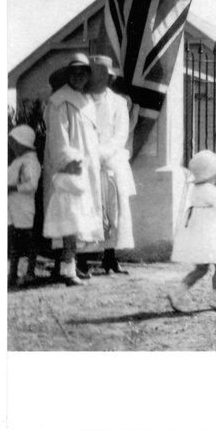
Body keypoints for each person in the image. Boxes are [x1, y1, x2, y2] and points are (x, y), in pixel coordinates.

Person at [42, 53, 104, 286]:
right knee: (70, 219)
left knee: (79, 219)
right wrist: (69, 161)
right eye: (74, 72)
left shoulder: (86, 102)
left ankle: (70, 265)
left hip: (86, 168)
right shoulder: (60, 101)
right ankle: (66, 270)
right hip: (70, 169)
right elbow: (58, 136)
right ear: (68, 76)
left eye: (83, 72)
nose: (79, 76)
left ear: (89, 75)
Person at [168, 150, 216, 312]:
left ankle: (177, 293)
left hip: (202, 233)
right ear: (210, 173)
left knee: (202, 268)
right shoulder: (208, 189)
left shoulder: (199, 188)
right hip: (210, 234)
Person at [88, 55, 136, 274]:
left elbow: (120, 134)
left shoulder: (118, 102)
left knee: (113, 209)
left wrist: (103, 153)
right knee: (89, 209)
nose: (99, 79)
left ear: (109, 78)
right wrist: (90, 154)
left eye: (103, 75)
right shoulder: (82, 99)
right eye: (94, 74)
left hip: (111, 160)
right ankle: (82, 258)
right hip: (87, 161)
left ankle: (110, 256)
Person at [8, 125, 41, 286]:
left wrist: (12, 188)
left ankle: (30, 272)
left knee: (28, 240)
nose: (11, 145)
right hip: (12, 205)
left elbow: (31, 185)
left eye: (14, 142)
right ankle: (12, 273)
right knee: (13, 241)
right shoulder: (18, 161)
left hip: (24, 206)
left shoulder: (31, 162)